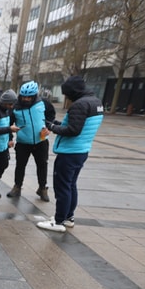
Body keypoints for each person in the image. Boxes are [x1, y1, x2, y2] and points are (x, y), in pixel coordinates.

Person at [37, 75, 104, 232]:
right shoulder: (96, 102)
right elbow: (76, 124)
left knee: (62, 187)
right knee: (70, 185)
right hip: (81, 150)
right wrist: (54, 124)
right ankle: (68, 217)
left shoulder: (80, 105)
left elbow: (73, 130)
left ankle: (59, 221)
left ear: (73, 92)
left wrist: (52, 128)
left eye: (67, 94)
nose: (66, 97)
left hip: (70, 152)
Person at [8, 81, 56, 201]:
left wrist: (47, 125)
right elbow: (8, 123)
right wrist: (10, 138)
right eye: (24, 96)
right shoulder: (15, 107)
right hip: (23, 141)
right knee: (20, 165)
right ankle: (17, 186)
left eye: (29, 97)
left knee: (42, 165)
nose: (26, 99)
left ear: (35, 95)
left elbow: (51, 114)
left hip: (41, 141)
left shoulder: (43, 103)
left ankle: (42, 188)